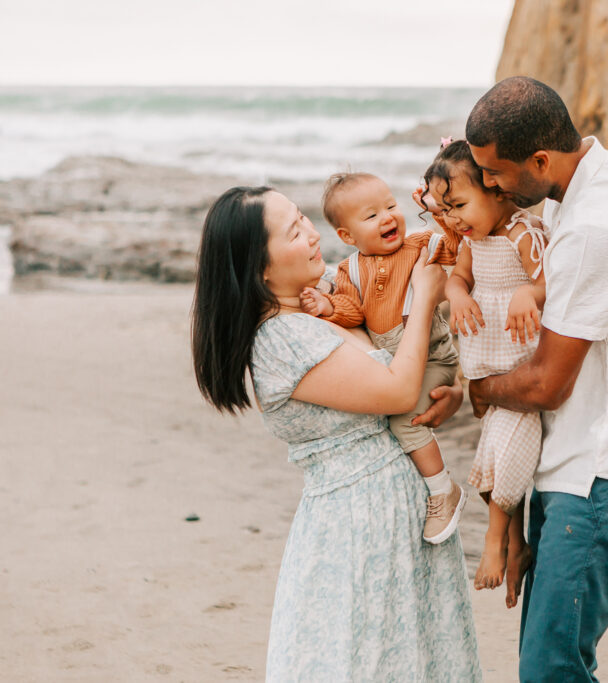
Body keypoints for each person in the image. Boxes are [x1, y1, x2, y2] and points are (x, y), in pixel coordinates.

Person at [190, 186, 480, 681]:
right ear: (260, 268)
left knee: (420, 655)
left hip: (404, 512)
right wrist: (428, 294)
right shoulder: (279, 338)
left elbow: (410, 265)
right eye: (293, 231)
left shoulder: (327, 290)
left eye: (303, 218)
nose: (310, 233)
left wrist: (448, 390)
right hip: (356, 526)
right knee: (363, 660)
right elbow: (393, 390)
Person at [465, 76, 608, 681]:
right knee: (551, 663)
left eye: (495, 173)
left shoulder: (595, 226)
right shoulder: (578, 190)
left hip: (603, 477)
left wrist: (478, 391)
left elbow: (544, 385)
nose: (489, 186)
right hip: (580, 464)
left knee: (549, 669)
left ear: (540, 159)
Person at [298, 172, 465, 544]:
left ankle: (443, 491)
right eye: (371, 215)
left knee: (405, 422)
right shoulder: (349, 270)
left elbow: (457, 245)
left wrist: (438, 211)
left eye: (390, 206)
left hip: (435, 359)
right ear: (346, 237)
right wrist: (327, 306)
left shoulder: (420, 245)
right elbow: (352, 310)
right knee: (401, 415)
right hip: (401, 363)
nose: (388, 217)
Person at [418, 140, 547, 607]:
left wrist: (528, 294)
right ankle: (516, 543)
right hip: (488, 370)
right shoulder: (474, 240)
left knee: (508, 453)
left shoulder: (522, 233)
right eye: (445, 208)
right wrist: (460, 295)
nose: (453, 219)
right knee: (495, 455)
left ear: (496, 190)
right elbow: (458, 278)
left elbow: (551, 277)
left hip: (520, 369)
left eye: (459, 205)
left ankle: (494, 544)